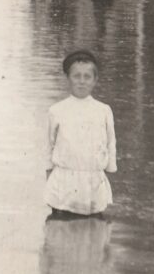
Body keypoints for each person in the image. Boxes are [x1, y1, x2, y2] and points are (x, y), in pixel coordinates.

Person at [45, 50, 118, 217]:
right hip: (64, 182)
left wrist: (109, 172)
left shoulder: (104, 110)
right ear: (68, 78)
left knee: (93, 233)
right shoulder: (57, 110)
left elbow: (110, 143)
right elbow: (48, 147)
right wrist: (49, 180)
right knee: (60, 232)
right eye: (76, 76)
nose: (82, 81)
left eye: (87, 77)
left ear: (95, 80)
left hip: (94, 182)